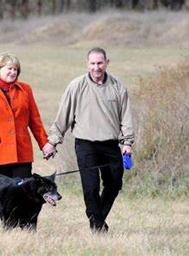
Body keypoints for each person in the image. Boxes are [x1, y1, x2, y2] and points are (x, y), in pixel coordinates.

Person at [43, 47, 134, 233]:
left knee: (114, 184)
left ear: (107, 63)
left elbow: (126, 118)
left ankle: (97, 218)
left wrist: (127, 143)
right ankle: (98, 226)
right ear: (87, 64)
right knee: (90, 187)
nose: (96, 67)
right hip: (86, 145)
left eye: (100, 63)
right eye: (92, 63)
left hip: (110, 145)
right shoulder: (76, 86)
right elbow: (63, 117)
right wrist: (52, 142)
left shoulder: (118, 87)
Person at [0, 52, 52, 179]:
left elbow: (35, 121)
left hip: (22, 151)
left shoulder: (26, 90)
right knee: (2, 194)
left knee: (23, 192)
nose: (13, 72)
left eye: (16, 69)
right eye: (9, 68)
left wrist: (44, 144)